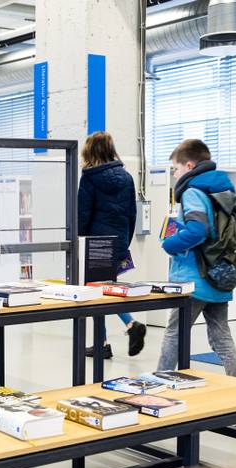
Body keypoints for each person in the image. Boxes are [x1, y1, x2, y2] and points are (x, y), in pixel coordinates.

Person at [156, 139, 236, 378]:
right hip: (219, 274)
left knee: (175, 332)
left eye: (175, 168)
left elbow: (197, 230)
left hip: (195, 277)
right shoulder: (222, 190)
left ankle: (157, 383)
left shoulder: (193, 192)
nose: (174, 175)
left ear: (189, 165)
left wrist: (170, 244)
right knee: (221, 336)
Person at [77, 131, 145, 358]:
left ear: (90, 151)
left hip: (96, 243)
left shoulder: (89, 177)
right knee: (106, 290)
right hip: (118, 241)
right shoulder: (127, 177)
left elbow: (83, 213)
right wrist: (124, 242)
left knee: (97, 293)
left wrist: (80, 240)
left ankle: (128, 325)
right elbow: (132, 213)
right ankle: (103, 343)